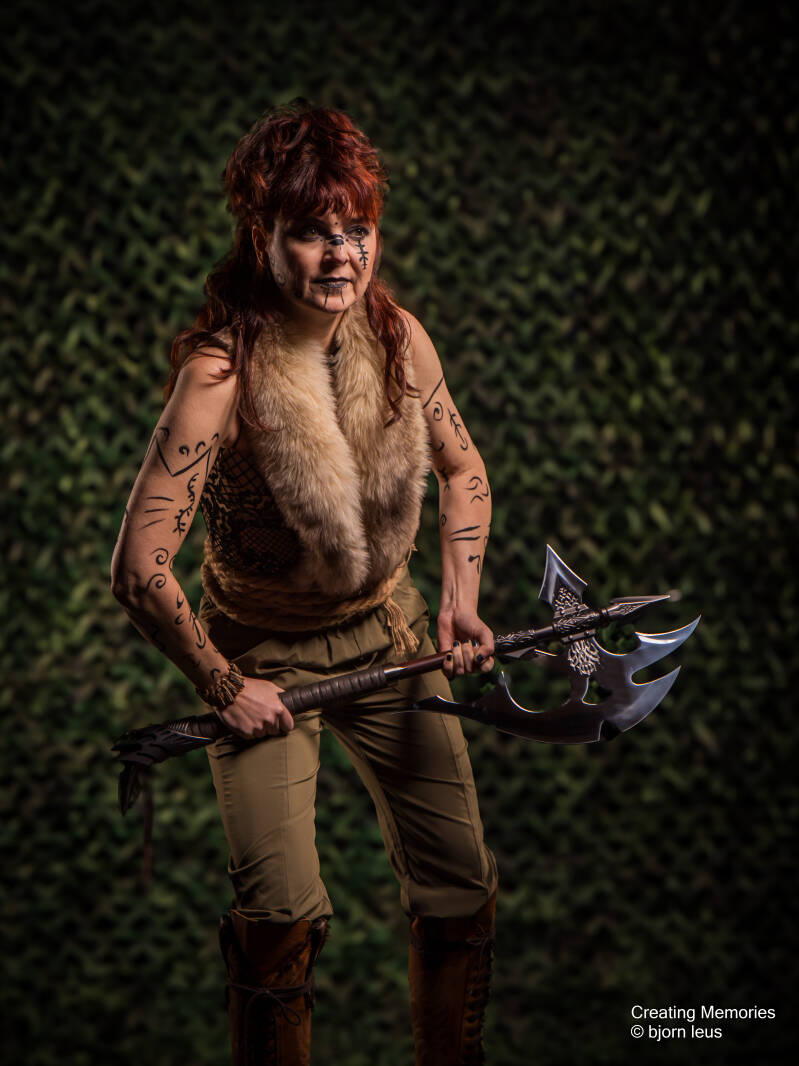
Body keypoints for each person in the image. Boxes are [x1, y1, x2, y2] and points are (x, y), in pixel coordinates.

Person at [111, 100, 499, 1066]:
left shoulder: (399, 339)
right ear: (263, 236)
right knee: (279, 916)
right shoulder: (220, 377)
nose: (341, 256)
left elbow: (464, 471)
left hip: (390, 632)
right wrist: (222, 685)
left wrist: (459, 601)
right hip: (262, 657)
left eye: (357, 230)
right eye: (311, 232)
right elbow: (140, 568)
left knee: (461, 886)